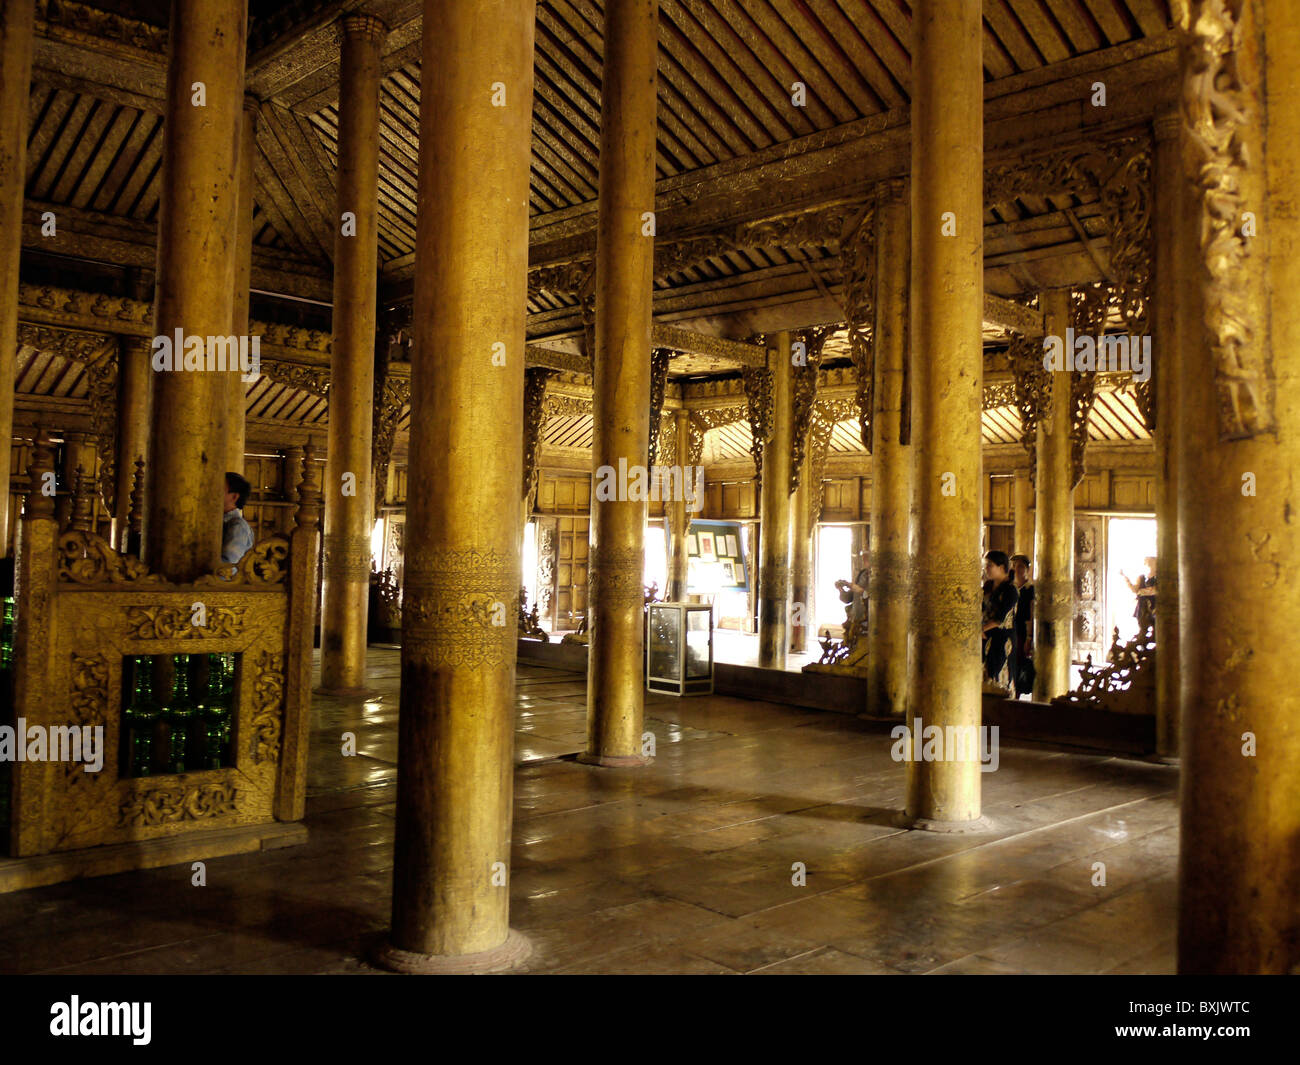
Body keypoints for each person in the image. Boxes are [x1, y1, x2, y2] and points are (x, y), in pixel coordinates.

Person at [981, 550, 1018, 692]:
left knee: (999, 676)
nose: (986, 569)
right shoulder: (988, 586)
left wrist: (980, 630)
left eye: (990, 565)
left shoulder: (1010, 590)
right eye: (985, 565)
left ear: (1001, 567)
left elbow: (1000, 619)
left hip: (1002, 638)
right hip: (985, 636)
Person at [1010, 553, 1036, 698]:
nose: (1016, 569)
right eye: (1014, 566)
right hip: (1010, 631)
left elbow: (1031, 615)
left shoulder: (1030, 590)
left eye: (1020, 566)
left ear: (1027, 569)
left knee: (1019, 663)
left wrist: (1028, 638)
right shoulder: (1011, 588)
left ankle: (1017, 695)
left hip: (1021, 633)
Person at [834, 551, 870, 637]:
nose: (864, 561)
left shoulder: (880, 577)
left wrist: (853, 587)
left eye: (867, 558)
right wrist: (840, 589)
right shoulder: (862, 574)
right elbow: (848, 598)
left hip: (870, 621)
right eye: (864, 558)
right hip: (856, 620)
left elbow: (868, 595)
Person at [222, 472, 254, 564]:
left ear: (234, 496)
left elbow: (227, 568)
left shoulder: (238, 526)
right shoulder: (221, 522)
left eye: (220, 489)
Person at [1122, 555, 1157, 634]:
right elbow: (1135, 590)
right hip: (1142, 606)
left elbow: (1157, 590)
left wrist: (1142, 592)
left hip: (1155, 606)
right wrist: (1126, 579)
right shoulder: (1141, 577)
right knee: (1142, 629)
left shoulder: (1159, 577)